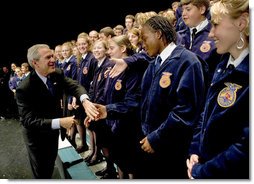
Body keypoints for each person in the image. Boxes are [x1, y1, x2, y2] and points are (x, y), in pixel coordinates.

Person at [186, 0, 249, 179]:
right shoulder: (222, 64)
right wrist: (195, 151)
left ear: (241, 23)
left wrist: (202, 172)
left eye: (215, 24)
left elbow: (245, 149)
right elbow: (206, 112)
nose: (211, 33)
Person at [15, 44, 98, 179]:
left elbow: (74, 86)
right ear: (35, 63)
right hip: (37, 139)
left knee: (50, 163)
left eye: (52, 55)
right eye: (48, 57)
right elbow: (28, 120)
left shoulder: (56, 73)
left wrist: (85, 100)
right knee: (42, 173)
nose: (53, 59)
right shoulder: (24, 88)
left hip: (53, 134)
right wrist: (60, 122)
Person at [137, 16, 206, 179]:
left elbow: (185, 112)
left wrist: (156, 138)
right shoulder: (153, 64)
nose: (142, 44)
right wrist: (109, 110)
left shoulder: (188, 61)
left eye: (145, 38)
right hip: (151, 147)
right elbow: (142, 103)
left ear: (159, 34)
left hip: (173, 151)